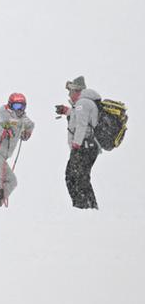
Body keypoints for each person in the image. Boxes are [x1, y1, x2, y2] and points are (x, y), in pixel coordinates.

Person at [55, 75, 101, 209]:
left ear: (77, 91)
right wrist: (66, 111)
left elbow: (81, 125)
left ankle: (83, 206)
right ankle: (89, 206)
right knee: (80, 177)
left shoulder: (82, 103)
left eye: (70, 91)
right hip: (88, 146)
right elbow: (80, 117)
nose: (69, 94)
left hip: (83, 146)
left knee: (73, 177)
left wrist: (76, 144)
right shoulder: (84, 103)